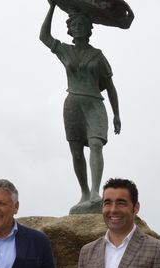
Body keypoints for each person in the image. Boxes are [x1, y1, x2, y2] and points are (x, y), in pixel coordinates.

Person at [40, 0, 121, 207]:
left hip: (95, 104)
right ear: (69, 29)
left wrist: (116, 114)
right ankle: (84, 194)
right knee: (76, 152)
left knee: (96, 144)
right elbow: (44, 37)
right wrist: (52, 7)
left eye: (81, 25)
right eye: (74, 25)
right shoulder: (65, 50)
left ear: (88, 29)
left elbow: (110, 87)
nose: (77, 28)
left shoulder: (97, 55)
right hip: (73, 105)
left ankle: (95, 191)